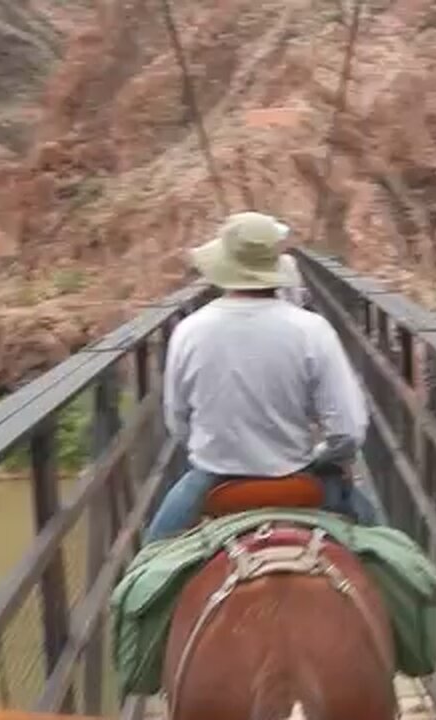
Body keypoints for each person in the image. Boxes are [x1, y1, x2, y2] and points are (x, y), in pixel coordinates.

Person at [143, 211, 376, 543]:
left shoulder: (188, 330)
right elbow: (349, 431)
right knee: (390, 552)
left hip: (215, 481)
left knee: (145, 565)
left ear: (223, 266)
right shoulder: (312, 329)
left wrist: (213, 447)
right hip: (297, 479)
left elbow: (178, 421)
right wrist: (324, 458)